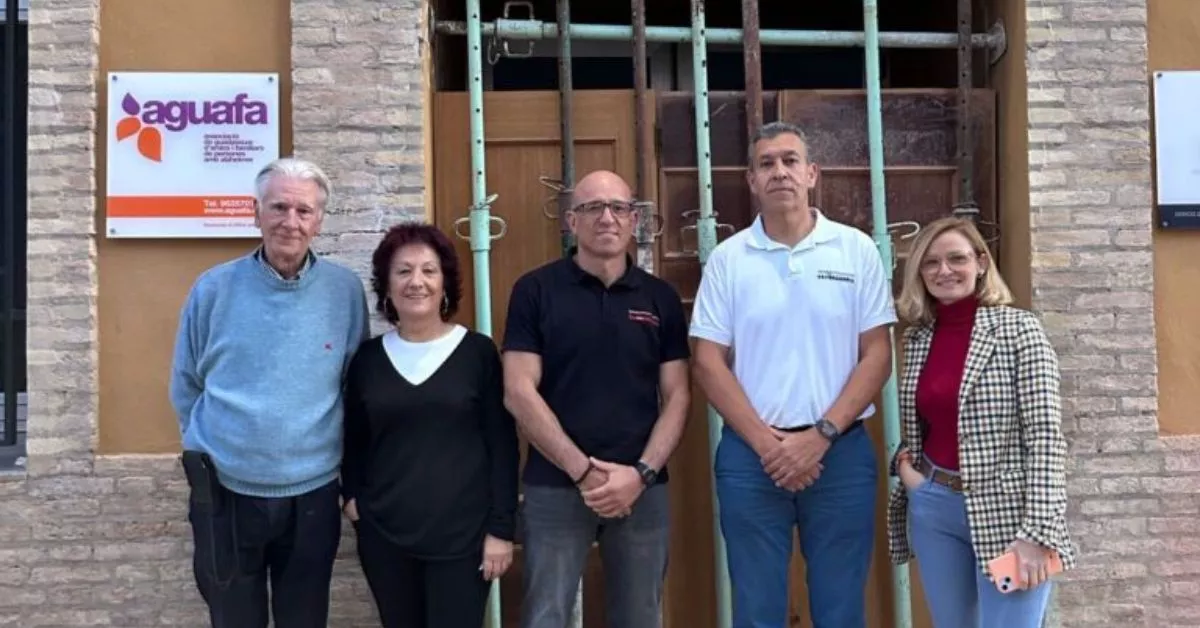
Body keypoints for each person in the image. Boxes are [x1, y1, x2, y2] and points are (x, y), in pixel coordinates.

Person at [689, 121, 897, 628]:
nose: (779, 171)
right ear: (751, 180)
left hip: (840, 453)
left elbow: (877, 353)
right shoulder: (727, 260)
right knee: (756, 609)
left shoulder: (855, 250)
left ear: (811, 173)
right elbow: (707, 361)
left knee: (841, 608)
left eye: (790, 160)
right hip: (752, 456)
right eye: (766, 163)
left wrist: (820, 436)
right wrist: (770, 446)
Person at [169, 157, 370, 628]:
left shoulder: (344, 291)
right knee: (234, 619)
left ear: (319, 221)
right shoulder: (213, 289)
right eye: (278, 207)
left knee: (305, 619)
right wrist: (214, 448)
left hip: (313, 493)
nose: (290, 222)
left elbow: (352, 384)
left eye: (304, 211)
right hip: (225, 493)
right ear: (255, 212)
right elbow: (186, 383)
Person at [502, 169, 691, 628]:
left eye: (619, 208)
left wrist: (641, 474)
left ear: (634, 220)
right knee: (545, 616)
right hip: (555, 485)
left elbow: (678, 395)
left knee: (640, 616)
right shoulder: (535, 290)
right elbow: (518, 391)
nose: (607, 218)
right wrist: (583, 473)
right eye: (592, 208)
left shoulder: (660, 298)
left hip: (641, 488)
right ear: (571, 221)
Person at [885, 216, 1075, 627]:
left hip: (1009, 516)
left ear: (981, 262)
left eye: (957, 258)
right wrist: (910, 474)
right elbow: (925, 424)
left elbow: (1045, 437)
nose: (944, 270)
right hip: (935, 508)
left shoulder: (1019, 330)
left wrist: (1037, 533)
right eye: (931, 262)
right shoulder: (918, 339)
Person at [340, 222, 520, 628]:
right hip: (385, 538)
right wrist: (352, 499)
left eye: (428, 270)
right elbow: (354, 440)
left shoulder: (477, 353)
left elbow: (502, 445)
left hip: (464, 540)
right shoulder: (368, 359)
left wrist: (502, 528)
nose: (416, 282)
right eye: (403, 271)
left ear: (444, 283)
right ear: (387, 286)